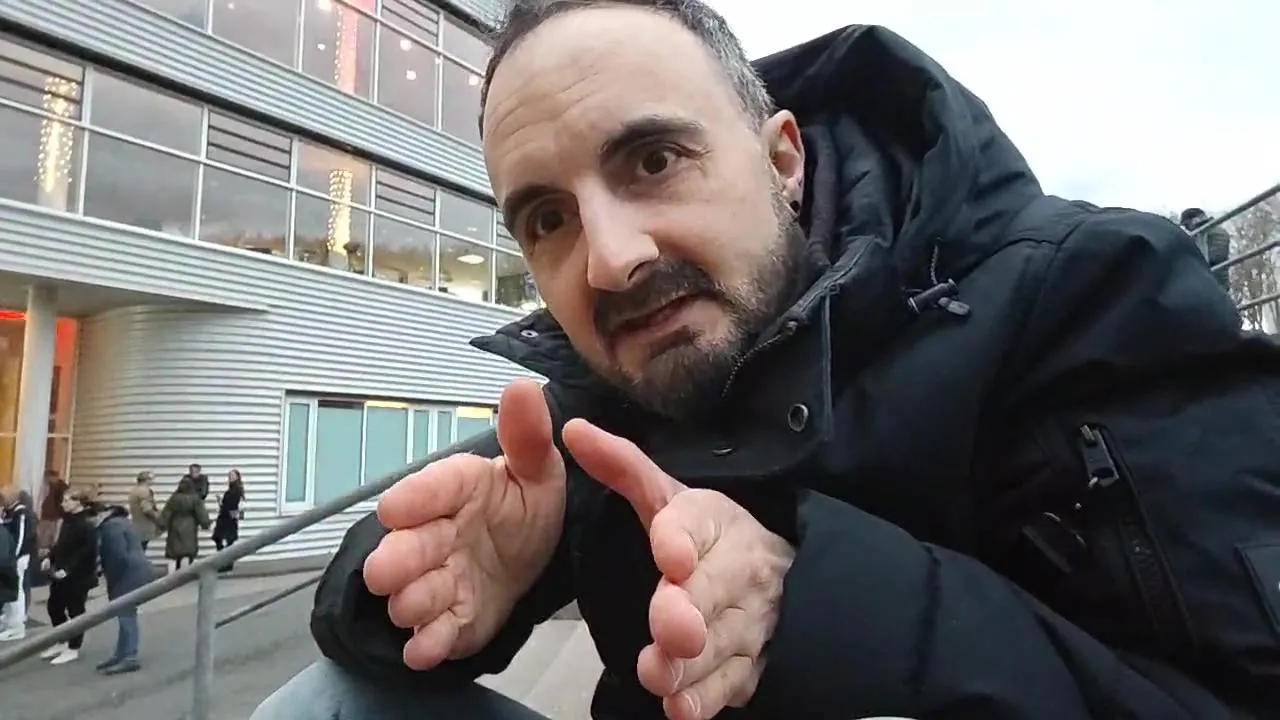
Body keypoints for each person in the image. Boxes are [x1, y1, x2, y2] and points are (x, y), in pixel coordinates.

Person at [255, 5, 1278, 720]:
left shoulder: (1085, 291)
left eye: (653, 161)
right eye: (548, 219)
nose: (609, 259)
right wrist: (445, 587)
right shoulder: (592, 404)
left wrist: (816, 599)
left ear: (782, 157)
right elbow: (391, 595)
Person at [93, 501, 153, 674]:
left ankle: (129, 657)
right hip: (137, 571)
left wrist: (110, 578)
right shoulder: (122, 523)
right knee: (125, 614)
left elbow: (117, 556)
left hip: (128, 574)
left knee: (126, 615)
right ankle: (121, 654)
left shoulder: (111, 527)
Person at [40, 489, 98, 665]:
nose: (63, 503)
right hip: (60, 572)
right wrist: (49, 558)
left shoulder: (86, 524)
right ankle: (61, 640)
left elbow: (87, 551)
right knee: (54, 607)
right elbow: (61, 544)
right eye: (63, 500)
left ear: (78, 503)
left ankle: (73, 648)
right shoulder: (67, 520)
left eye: (67, 500)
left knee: (76, 611)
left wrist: (68, 569)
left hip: (78, 576)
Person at [0, 484, 36, 642]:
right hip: (10, 557)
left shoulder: (21, 512)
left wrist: (13, 558)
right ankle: (9, 620)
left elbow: (21, 537)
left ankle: (17, 625)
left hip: (18, 557)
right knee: (8, 588)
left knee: (17, 590)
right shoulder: (10, 512)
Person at [159, 477, 210, 571]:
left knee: (173, 554)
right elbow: (201, 513)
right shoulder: (195, 498)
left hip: (174, 525)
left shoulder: (174, 498)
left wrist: (162, 524)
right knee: (186, 553)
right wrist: (205, 524)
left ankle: (171, 575)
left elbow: (166, 513)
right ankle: (184, 574)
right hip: (189, 526)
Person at [1179, 207, 1232, 293]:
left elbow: (1216, 257)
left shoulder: (1216, 231)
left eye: (1187, 225)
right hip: (1206, 282)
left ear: (1195, 220)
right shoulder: (1199, 236)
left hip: (1216, 282)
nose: (1187, 228)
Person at [212, 469, 245, 572]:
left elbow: (236, 506)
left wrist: (233, 514)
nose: (230, 477)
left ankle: (225, 563)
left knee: (222, 539)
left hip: (227, 519)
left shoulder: (236, 490)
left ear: (237, 477)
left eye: (232, 475)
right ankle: (226, 562)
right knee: (224, 540)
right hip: (226, 518)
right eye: (229, 475)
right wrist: (221, 503)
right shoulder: (233, 490)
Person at [128, 471, 162, 552]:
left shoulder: (134, 490)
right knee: (141, 549)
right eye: (151, 478)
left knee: (138, 549)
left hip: (136, 524)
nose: (153, 481)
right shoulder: (144, 491)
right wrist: (158, 517)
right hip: (144, 526)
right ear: (146, 480)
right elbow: (147, 509)